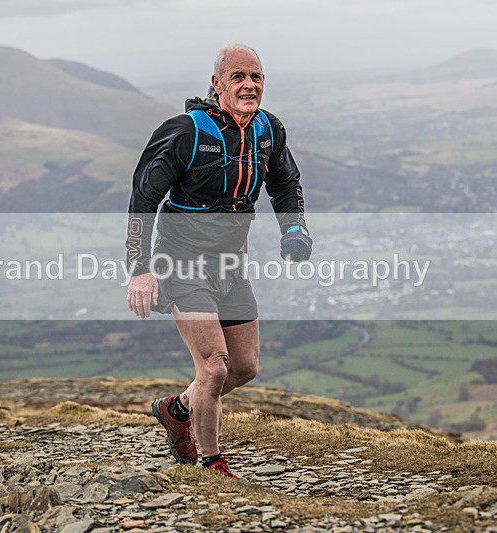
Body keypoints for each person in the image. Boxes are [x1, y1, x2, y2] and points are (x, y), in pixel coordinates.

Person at [125, 44, 312, 477]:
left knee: (244, 367)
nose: (250, 85)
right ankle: (212, 464)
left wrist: (294, 230)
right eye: (238, 77)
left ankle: (176, 408)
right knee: (214, 367)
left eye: (257, 77)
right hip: (182, 262)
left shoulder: (267, 130)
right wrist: (140, 270)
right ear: (217, 83)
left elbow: (286, 183)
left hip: (231, 264)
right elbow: (142, 199)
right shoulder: (184, 132)